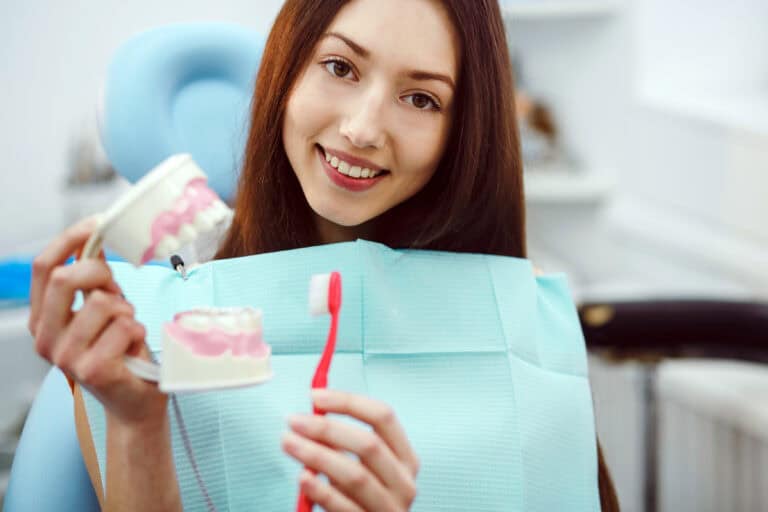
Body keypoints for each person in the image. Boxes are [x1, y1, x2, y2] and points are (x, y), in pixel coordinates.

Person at [28, 0, 619, 510]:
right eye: (340, 67)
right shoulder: (140, 340)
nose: (363, 129)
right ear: (287, 70)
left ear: (463, 132)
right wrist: (137, 428)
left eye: (421, 99)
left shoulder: (524, 329)